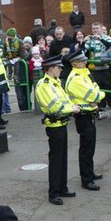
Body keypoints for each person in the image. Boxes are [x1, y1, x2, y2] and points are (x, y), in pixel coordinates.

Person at [35, 56, 80, 205]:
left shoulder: (55, 83)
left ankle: (62, 187)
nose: (61, 69)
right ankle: (53, 192)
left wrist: (72, 106)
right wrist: (72, 109)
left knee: (62, 158)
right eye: (58, 67)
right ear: (51, 68)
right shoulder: (44, 84)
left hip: (62, 123)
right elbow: (54, 106)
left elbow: (64, 101)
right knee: (56, 160)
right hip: (54, 126)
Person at [65, 51, 105, 191]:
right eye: (82, 61)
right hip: (83, 115)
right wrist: (99, 96)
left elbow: (95, 88)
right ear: (74, 64)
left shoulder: (83, 74)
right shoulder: (76, 78)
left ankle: (90, 173)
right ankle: (86, 179)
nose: (85, 62)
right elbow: (95, 94)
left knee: (90, 147)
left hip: (89, 115)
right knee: (86, 149)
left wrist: (97, 95)